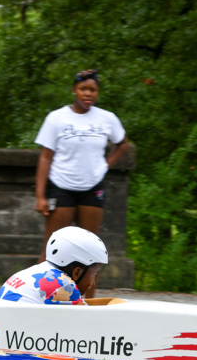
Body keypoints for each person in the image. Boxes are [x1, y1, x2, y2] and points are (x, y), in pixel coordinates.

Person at [34, 69, 128, 296]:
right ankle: (35, 296)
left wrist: (106, 164)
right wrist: (40, 195)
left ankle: (88, 303)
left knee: (91, 250)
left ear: (97, 93)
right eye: (83, 89)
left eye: (93, 90)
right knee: (52, 247)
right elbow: (45, 156)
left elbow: (122, 143)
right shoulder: (56, 118)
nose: (88, 94)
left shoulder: (107, 118)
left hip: (92, 189)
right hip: (61, 186)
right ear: (74, 90)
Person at [0, 226, 107, 306]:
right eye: (94, 275)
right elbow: (91, 320)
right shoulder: (64, 287)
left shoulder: (35, 270)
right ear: (77, 272)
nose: (92, 283)